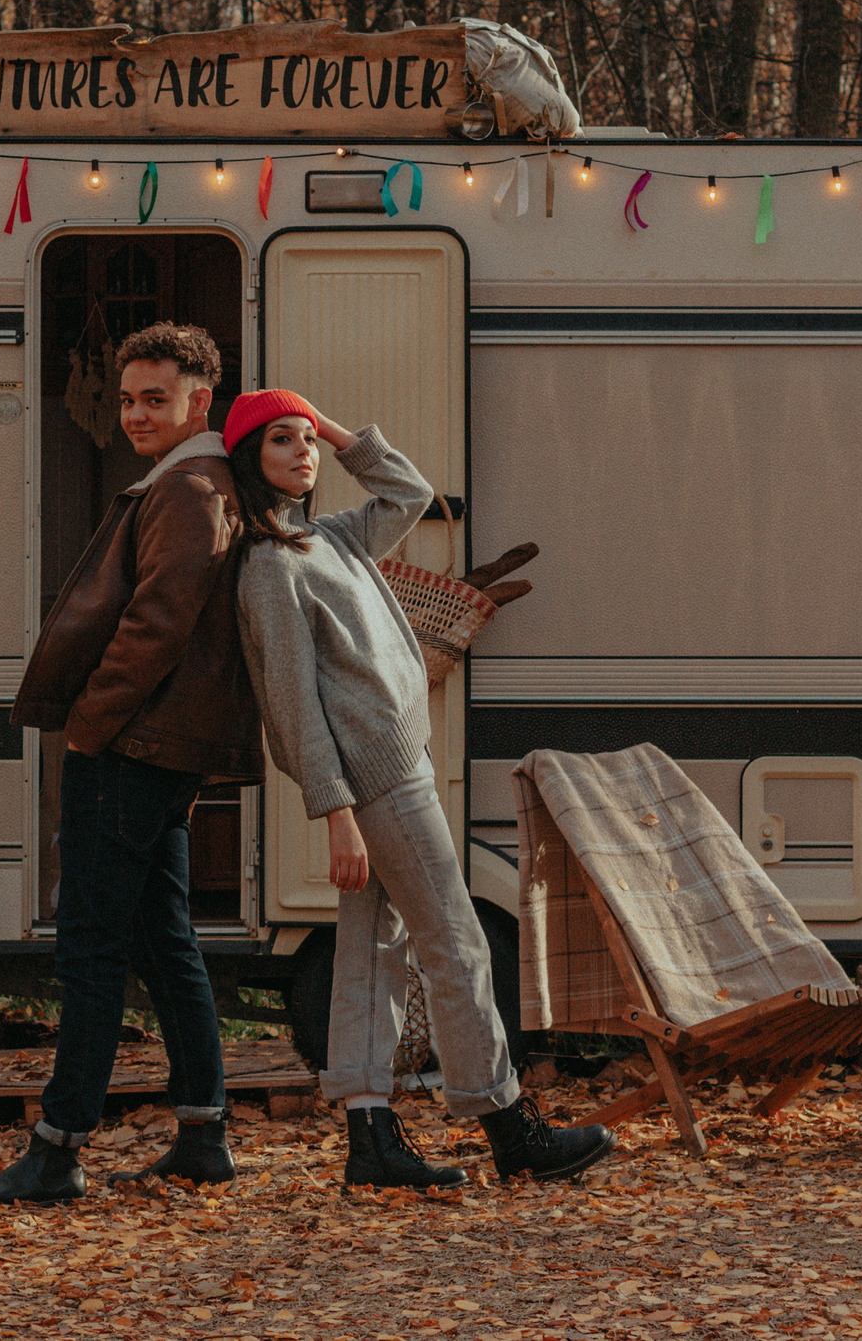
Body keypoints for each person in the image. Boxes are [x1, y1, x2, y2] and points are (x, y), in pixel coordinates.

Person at [227, 389, 616, 1188]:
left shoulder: (329, 536)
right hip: (376, 786)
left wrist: (338, 434)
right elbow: (293, 703)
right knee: (458, 942)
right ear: (246, 462)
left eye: (306, 440)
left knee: (374, 951)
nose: (303, 452)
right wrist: (335, 811)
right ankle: (509, 1126)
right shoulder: (271, 566)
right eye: (281, 442)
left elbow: (408, 493)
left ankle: (370, 1139)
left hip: (392, 770)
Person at [0, 322, 261, 1206]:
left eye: (153, 398)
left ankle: (57, 1148)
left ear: (200, 401)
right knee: (166, 943)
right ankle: (203, 1131)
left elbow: (158, 622)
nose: (133, 414)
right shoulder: (193, 480)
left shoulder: (191, 487)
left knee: (89, 948)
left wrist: (88, 725)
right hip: (156, 752)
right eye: (127, 398)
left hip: (129, 751)